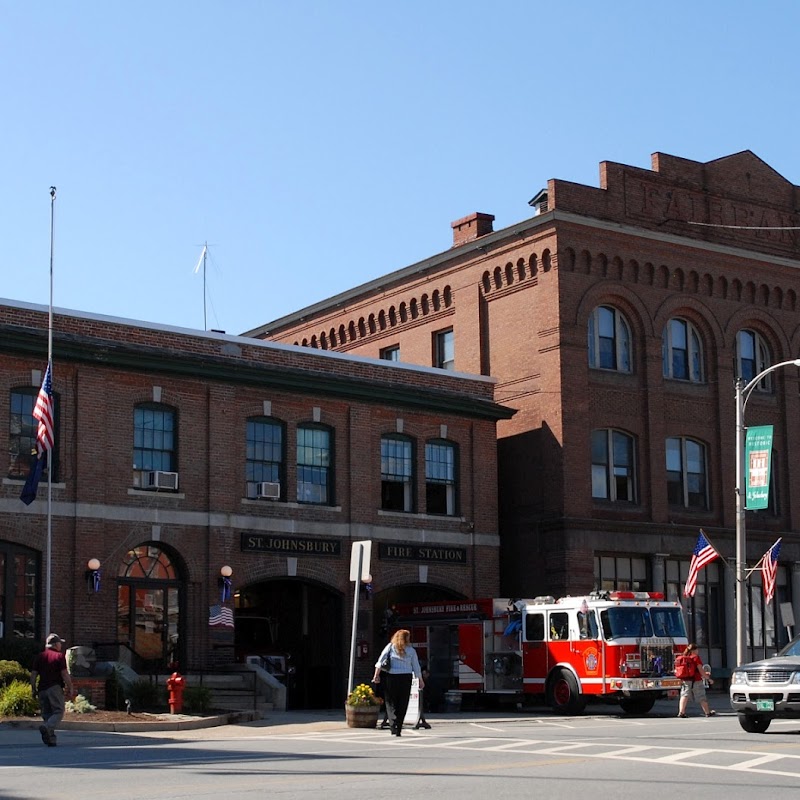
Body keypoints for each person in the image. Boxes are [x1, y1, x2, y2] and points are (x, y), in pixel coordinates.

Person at [372, 629, 424, 736]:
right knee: (403, 702)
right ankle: (399, 727)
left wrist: (376, 675)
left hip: (391, 677)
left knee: (390, 701)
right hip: (406, 678)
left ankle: (393, 723)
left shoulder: (390, 647)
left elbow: (380, 662)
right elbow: (416, 667)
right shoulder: (411, 651)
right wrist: (420, 680)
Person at [31, 633, 74, 747]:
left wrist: (33, 688)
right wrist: (70, 687)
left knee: (47, 714)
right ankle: (47, 727)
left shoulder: (40, 656)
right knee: (58, 711)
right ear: (55, 644)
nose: (61, 645)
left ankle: (51, 739)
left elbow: (34, 674)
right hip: (54, 687)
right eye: (60, 643)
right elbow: (64, 673)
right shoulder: (59, 656)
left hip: (42, 688)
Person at [677, 643, 715, 718]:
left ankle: (681, 712)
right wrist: (708, 678)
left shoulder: (684, 658)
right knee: (701, 696)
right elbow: (700, 670)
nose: (698, 651)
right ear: (694, 650)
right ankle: (707, 712)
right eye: (697, 649)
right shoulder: (695, 658)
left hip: (685, 679)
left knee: (684, 695)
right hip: (696, 680)